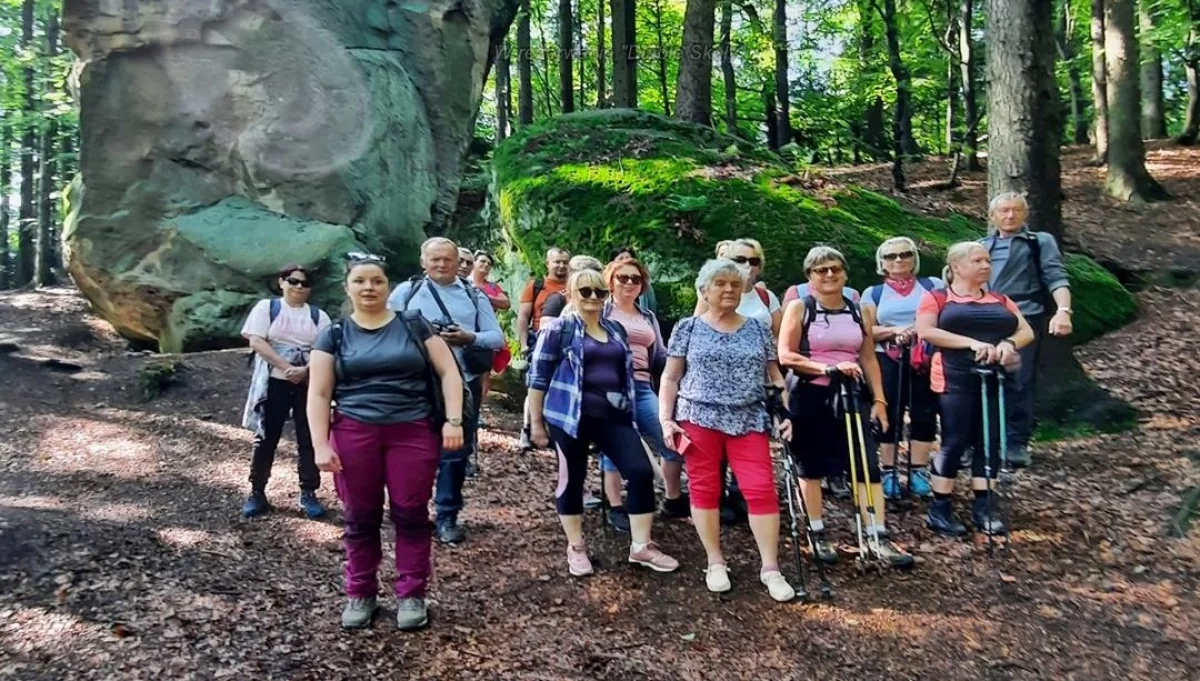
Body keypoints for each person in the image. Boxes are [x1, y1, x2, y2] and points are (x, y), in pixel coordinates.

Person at [308, 253, 466, 631]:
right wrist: (319, 444)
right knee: (359, 515)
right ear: (347, 287)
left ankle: (412, 594)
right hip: (353, 431)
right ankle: (359, 591)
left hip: (411, 430)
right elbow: (318, 392)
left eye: (376, 281)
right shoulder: (333, 334)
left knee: (411, 512)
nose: (368, 287)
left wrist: (453, 421)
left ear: (388, 287)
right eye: (360, 281)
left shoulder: (413, 324)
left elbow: (449, 372)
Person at [659, 258, 797, 602]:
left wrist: (785, 411)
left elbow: (774, 376)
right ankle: (715, 561)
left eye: (735, 284)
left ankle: (770, 568)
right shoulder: (687, 328)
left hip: (748, 418)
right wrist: (666, 419)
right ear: (704, 291)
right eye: (720, 284)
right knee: (705, 489)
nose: (729, 290)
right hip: (698, 418)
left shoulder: (757, 329)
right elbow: (670, 377)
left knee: (761, 487)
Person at [527, 269, 680, 576]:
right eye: (585, 291)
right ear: (571, 294)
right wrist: (536, 423)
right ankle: (577, 547)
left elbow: (627, 374)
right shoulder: (559, 330)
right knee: (572, 479)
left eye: (599, 291)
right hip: (570, 417)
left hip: (613, 415)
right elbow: (538, 378)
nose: (594, 297)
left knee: (638, 471)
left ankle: (641, 546)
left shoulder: (615, 330)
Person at [778, 247, 913, 567]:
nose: (829, 275)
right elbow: (785, 355)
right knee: (810, 466)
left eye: (835, 269)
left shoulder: (858, 310)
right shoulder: (799, 308)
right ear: (809, 277)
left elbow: (867, 356)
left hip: (853, 396)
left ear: (845, 273)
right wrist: (826, 369)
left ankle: (877, 533)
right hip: (811, 393)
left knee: (866, 463)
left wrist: (879, 399)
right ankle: (817, 531)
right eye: (821, 270)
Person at [388, 237, 504, 545]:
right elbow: (384, 332)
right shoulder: (405, 292)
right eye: (435, 259)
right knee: (410, 451)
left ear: (457, 262)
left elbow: (496, 338)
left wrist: (468, 337)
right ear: (423, 261)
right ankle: (409, 511)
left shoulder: (473, 294)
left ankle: (447, 516)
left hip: (462, 385)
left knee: (454, 454)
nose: (441, 264)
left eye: (448, 259)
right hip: (413, 384)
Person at [915, 241, 1035, 536]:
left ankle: (985, 505)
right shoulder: (938, 297)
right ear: (957, 266)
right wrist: (972, 343)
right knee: (955, 440)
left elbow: (1026, 331)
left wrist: (1008, 344)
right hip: (954, 375)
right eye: (978, 261)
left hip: (994, 376)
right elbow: (927, 331)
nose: (986, 266)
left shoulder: (1001, 299)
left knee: (990, 439)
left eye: (988, 261)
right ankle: (940, 508)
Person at [979, 193, 1073, 468]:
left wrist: (1063, 311)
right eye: (1004, 211)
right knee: (976, 381)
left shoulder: (1038, 242)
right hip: (982, 319)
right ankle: (978, 442)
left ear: (1025, 215)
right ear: (992, 216)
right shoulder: (980, 246)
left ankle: (1016, 442)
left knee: (1018, 379)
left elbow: (1056, 276)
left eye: (1016, 210)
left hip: (1023, 318)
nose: (1010, 216)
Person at [239, 264, 331, 519]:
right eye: (293, 281)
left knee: (308, 437)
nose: (299, 287)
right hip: (273, 381)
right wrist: (287, 367)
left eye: (304, 283)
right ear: (281, 282)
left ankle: (309, 492)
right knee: (266, 437)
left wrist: (304, 370)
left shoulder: (318, 316)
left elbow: (326, 347)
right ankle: (257, 492)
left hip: (308, 382)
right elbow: (257, 340)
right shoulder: (267, 308)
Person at [603, 258, 689, 522]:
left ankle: (672, 499)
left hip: (641, 385)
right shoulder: (602, 312)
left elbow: (660, 354)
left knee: (669, 438)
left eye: (636, 279)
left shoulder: (647, 316)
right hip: (610, 386)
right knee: (614, 446)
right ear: (610, 282)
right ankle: (616, 506)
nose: (629, 283)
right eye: (623, 278)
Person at [860, 237, 943, 499]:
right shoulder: (873, 293)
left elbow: (944, 317)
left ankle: (918, 470)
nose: (898, 260)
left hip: (926, 356)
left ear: (914, 258)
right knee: (889, 413)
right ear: (881, 262)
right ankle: (889, 471)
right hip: (887, 357)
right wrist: (895, 331)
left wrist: (918, 331)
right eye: (891, 256)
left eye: (905, 254)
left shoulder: (933, 286)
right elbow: (867, 330)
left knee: (924, 412)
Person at [516, 247, 571, 450]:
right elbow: (523, 316)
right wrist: (523, 343)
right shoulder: (536, 285)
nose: (561, 265)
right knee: (536, 385)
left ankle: (554, 431)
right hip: (538, 339)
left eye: (565, 262)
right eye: (557, 261)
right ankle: (527, 428)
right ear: (547, 263)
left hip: (566, 343)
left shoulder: (574, 287)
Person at [695, 239, 782, 337]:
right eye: (741, 260)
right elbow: (697, 331)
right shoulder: (712, 295)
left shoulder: (767, 297)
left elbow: (778, 336)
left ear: (759, 267)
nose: (747, 265)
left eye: (754, 261)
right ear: (727, 263)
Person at [471, 250, 512, 406]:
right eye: (482, 261)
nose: (485, 265)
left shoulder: (492, 287)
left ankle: (477, 408)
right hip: (467, 329)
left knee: (485, 372)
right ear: (474, 263)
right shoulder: (462, 283)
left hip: (487, 331)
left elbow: (506, 303)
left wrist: (482, 295)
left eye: (489, 264)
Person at [611, 245, 658, 313]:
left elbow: (651, 306)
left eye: (628, 258)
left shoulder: (642, 283)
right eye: (621, 259)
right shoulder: (606, 284)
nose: (625, 262)